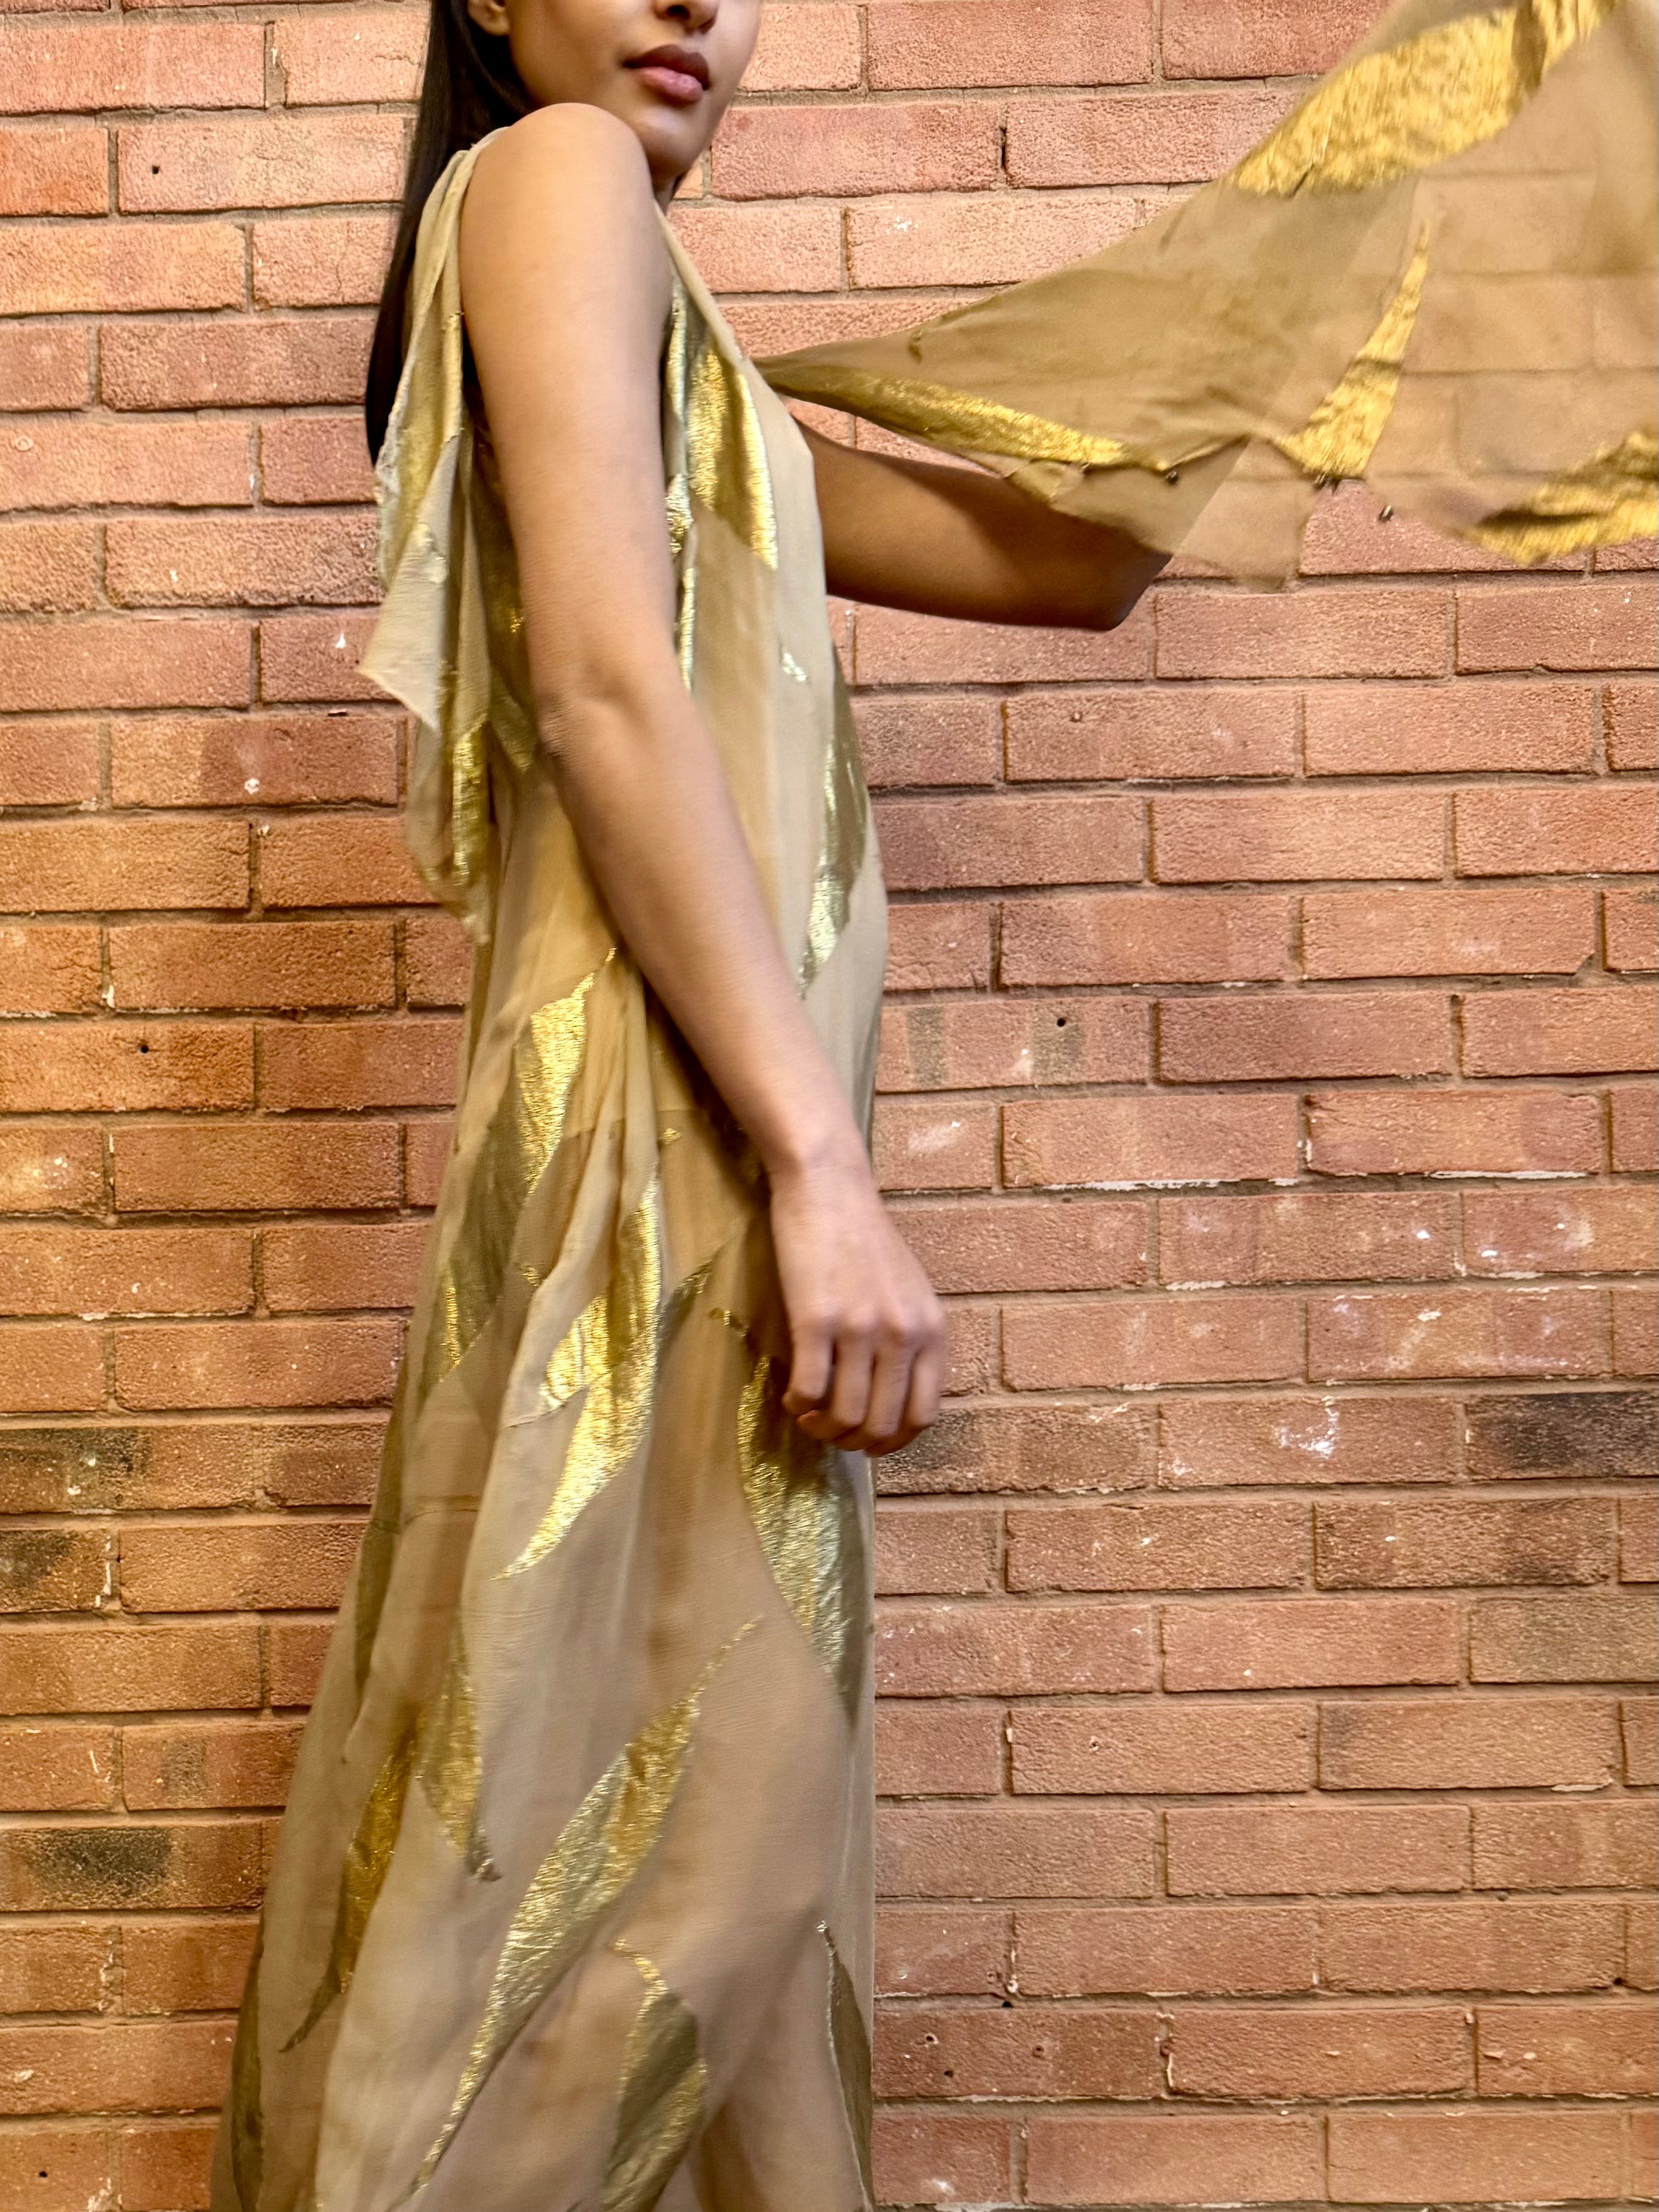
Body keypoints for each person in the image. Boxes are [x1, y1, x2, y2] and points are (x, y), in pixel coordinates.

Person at [213, 0, 1654, 2203]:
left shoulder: (680, 353)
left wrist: (1355, 234)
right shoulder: (556, 182)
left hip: (688, 1141)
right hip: (677, 1145)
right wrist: (815, 1163)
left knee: (725, 1929)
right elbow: (604, 686)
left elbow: (1070, 564)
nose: (698, 1)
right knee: (705, 1878)